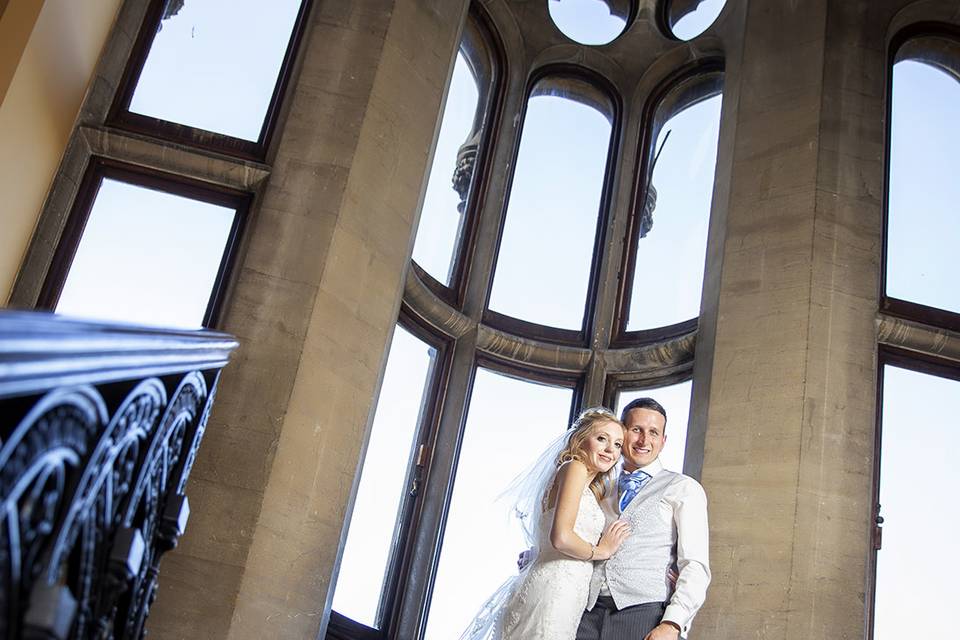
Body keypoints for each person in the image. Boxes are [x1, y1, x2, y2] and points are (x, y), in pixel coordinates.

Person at [459, 408, 631, 640]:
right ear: (581, 439)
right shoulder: (575, 467)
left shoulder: (587, 487)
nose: (611, 450)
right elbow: (560, 537)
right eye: (602, 439)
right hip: (555, 588)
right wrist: (602, 550)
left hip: (567, 591)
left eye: (618, 444)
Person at [576, 397, 711, 640]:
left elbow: (695, 564)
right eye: (636, 429)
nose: (644, 440)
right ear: (622, 432)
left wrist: (672, 624)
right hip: (585, 614)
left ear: (663, 440)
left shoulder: (683, 488)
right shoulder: (599, 487)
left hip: (646, 614)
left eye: (653, 433)